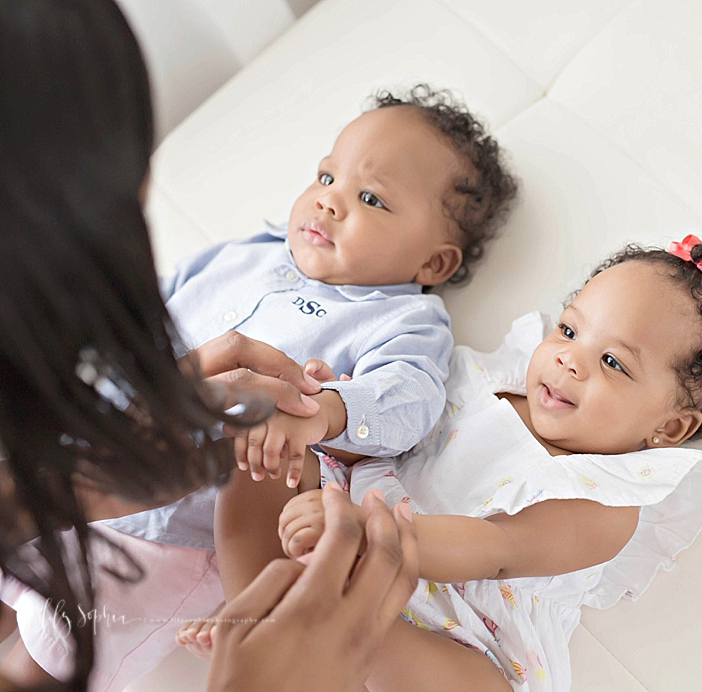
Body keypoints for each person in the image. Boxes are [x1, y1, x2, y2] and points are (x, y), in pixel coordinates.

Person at [0, 1, 419, 690]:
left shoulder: (407, 320)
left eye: (372, 198)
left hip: (171, 528)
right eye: (323, 177)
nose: (330, 202)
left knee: (50, 646)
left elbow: (408, 395)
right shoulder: (250, 252)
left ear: (435, 260)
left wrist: (328, 410)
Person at [180, 236, 702, 691]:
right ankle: (253, 611)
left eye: (612, 362)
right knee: (263, 446)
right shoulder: (481, 383)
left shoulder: (609, 500)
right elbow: (389, 441)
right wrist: (330, 408)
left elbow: (496, 548)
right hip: (344, 521)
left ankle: (315, 626)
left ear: (669, 427)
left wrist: (371, 539)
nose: (568, 361)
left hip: (449, 624)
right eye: (568, 330)